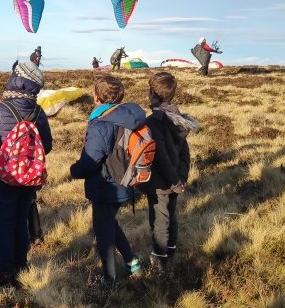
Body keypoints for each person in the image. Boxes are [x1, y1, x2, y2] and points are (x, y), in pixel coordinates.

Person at [0, 61, 53, 284]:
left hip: (4, 177)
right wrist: (29, 162)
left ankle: (5, 271)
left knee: (5, 223)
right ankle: (22, 265)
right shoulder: (39, 112)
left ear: (15, 79)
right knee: (20, 219)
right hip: (29, 179)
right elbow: (46, 146)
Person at [68, 74, 145, 287]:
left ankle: (109, 280)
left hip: (106, 186)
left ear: (96, 97)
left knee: (104, 234)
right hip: (126, 180)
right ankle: (132, 262)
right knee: (109, 222)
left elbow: (91, 162)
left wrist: (74, 170)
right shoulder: (129, 117)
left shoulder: (100, 124)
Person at [141, 72, 197, 278]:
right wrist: (181, 178)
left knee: (160, 221)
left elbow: (161, 156)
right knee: (170, 217)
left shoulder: (154, 122)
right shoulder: (179, 119)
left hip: (160, 182)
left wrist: (174, 181)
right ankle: (170, 255)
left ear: (152, 93)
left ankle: (160, 265)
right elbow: (185, 151)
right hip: (175, 181)